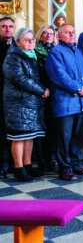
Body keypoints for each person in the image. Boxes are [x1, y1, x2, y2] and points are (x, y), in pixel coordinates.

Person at [46, 24, 83, 181]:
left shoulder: (79, 52)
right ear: (59, 36)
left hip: (82, 103)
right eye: (67, 32)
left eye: (73, 32)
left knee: (78, 137)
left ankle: (76, 164)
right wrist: (79, 88)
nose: (72, 34)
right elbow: (59, 76)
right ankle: (64, 168)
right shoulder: (55, 52)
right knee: (64, 138)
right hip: (65, 104)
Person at [3, 28, 49, 182]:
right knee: (19, 137)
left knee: (29, 136)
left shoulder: (33, 56)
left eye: (33, 40)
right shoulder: (13, 57)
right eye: (27, 40)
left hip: (32, 102)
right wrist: (41, 90)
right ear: (18, 42)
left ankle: (28, 165)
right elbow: (20, 79)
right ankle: (19, 168)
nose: (31, 42)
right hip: (18, 102)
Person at [34, 25, 58, 172]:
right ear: (40, 35)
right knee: (41, 128)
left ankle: (52, 159)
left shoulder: (56, 50)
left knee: (53, 128)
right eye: (45, 33)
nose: (48, 36)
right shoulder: (36, 51)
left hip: (55, 94)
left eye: (51, 33)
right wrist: (42, 88)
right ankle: (41, 160)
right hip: (42, 93)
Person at [0, 16, 15, 178]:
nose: (7, 29)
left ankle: (11, 162)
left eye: (10, 26)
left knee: (12, 131)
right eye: (4, 26)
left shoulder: (17, 45)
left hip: (13, 97)